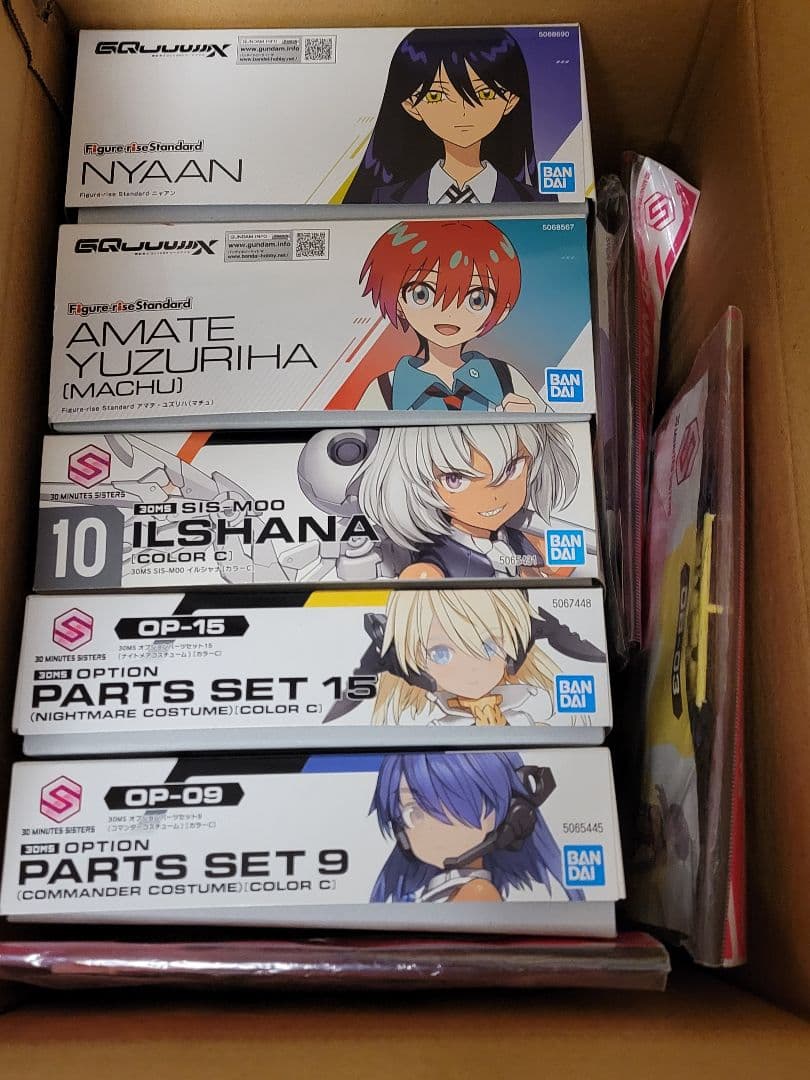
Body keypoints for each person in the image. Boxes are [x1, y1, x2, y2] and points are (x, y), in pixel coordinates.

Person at [343, 27, 550, 205]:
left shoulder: (537, 201)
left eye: (485, 94)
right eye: (436, 96)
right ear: (411, 105)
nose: (462, 112)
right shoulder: (383, 199)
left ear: (511, 100)